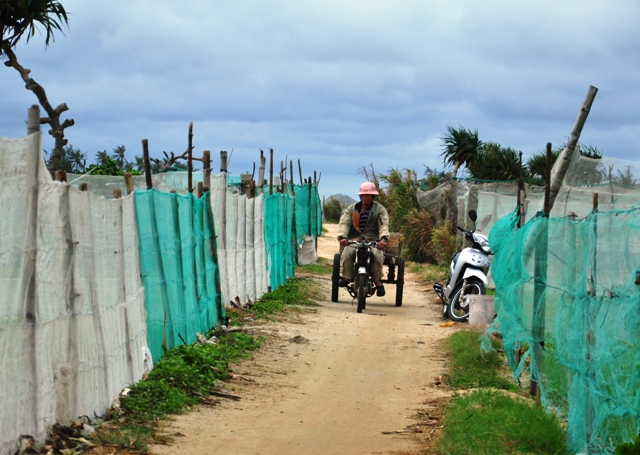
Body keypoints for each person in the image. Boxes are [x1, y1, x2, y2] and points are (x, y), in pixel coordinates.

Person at [336, 182, 390, 296]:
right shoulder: (351, 209)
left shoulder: (380, 209)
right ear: (360, 196)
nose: (366, 197)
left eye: (369, 195)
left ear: (373, 196)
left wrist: (383, 239)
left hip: (373, 241)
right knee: (346, 254)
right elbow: (344, 223)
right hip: (354, 240)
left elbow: (383, 224)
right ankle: (348, 277)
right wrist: (343, 237)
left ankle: (377, 280)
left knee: (378, 255)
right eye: (364, 195)